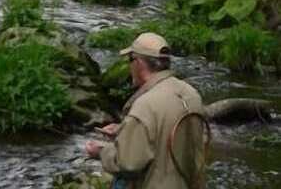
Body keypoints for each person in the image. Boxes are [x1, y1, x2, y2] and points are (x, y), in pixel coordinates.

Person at [85, 33, 207, 189]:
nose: (129, 67)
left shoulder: (145, 104)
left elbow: (129, 164)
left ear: (138, 63)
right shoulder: (191, 93)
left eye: (130, 60)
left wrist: (101, 152)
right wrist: (124, 130)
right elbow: (170, 131)